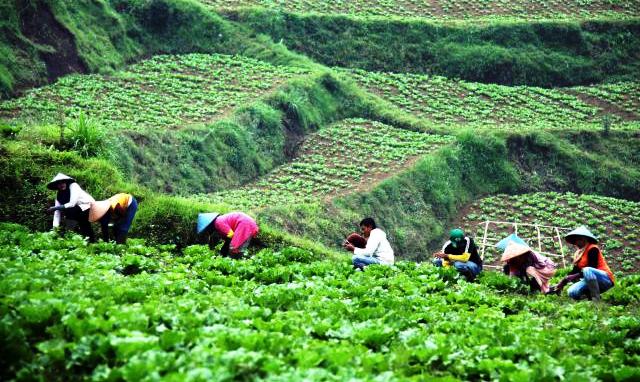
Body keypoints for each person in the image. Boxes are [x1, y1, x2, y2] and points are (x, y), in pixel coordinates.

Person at [548, 226, 614, 301]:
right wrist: (563, 282)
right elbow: (575, 271)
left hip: (604, 279)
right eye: (575, 240)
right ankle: (589, 296)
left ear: (584, 239)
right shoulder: (578, 254)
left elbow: (592, 267)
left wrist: (573, 277)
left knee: (587, 270)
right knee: (571, 292)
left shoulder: (592, 248)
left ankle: (596, 299)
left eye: (578, 240)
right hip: (590, 280)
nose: (576, 242)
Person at [46, 173, 96, 242]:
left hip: (88, 205)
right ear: (56, 185)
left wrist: (55, 208)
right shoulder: (59, 195)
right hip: (77, 209)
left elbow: (72, 203)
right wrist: (55, 230)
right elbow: (57, 214)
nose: (61, 184)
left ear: (66, 182)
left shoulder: (73, 186)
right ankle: (84, 240)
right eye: (59, 183)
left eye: (63, 182)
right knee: (80, 223)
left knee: (82, 222)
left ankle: (69, 234)